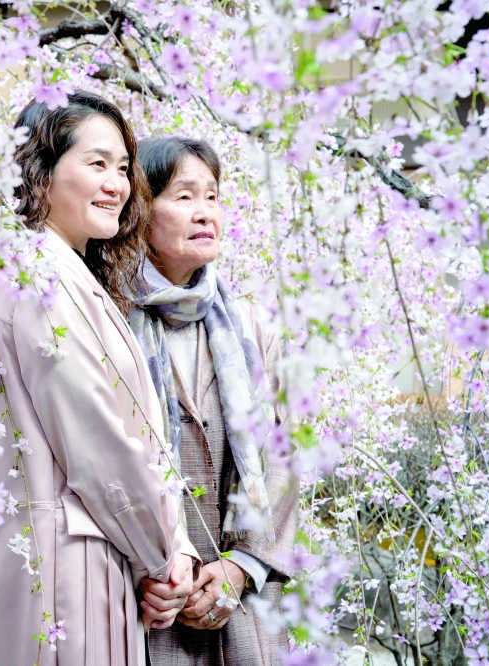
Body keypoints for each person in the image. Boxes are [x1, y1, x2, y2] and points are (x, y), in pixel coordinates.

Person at [0, 93, 198, 666]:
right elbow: (100, 443)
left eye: (123, 168)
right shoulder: (41, 278)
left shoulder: (58, 273)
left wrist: (168, 553)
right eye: (96, 164)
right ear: (39, 173)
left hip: (88, 550)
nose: (117, 184)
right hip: (69, 565)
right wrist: (165, 557)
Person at [130, 137, 298, 666]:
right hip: (152, 596)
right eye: (183, 197)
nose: (205, 213)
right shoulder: (110, 320)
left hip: (242, 600)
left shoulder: (251, 326)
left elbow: (283, 452)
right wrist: (154, 570)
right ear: (140, 209)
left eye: (212, 196)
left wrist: (243, 564)